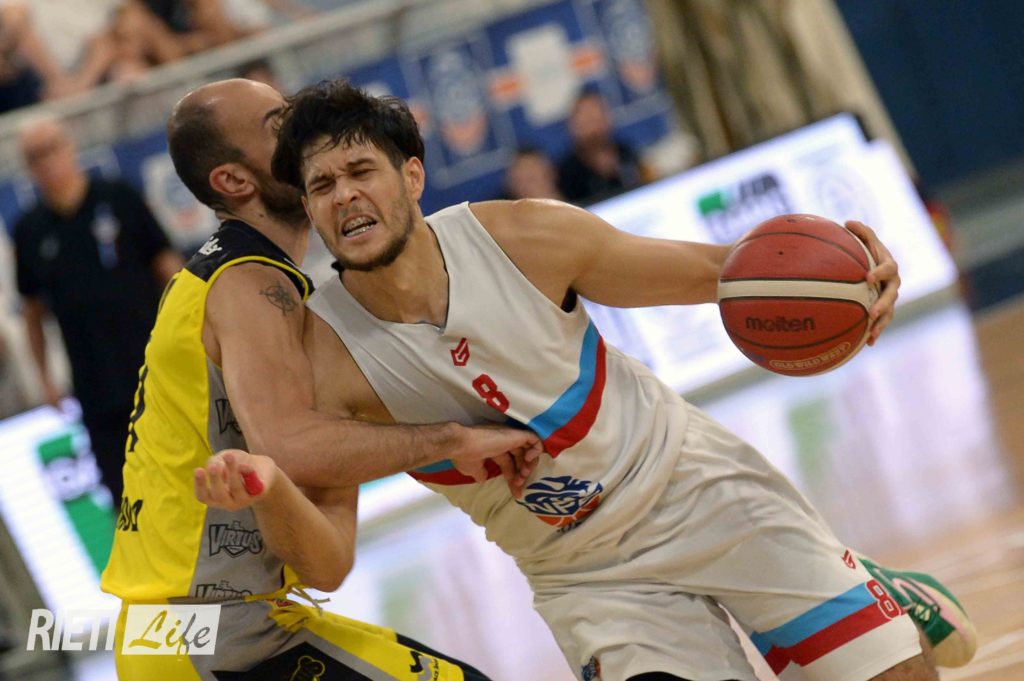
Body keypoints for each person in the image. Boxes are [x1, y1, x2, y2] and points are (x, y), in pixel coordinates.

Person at [270, 79, 978, 681]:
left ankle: (861, 587)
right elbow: (327, 542)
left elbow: (720, 272)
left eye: (360, 171)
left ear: (412, 178)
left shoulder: (525, 239)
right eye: (322, 185)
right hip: (583, 573)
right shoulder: (326, 354)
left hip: (691, 482)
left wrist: (855, 277)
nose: (345, 196)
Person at [100, 78, 539, 680]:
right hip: (207, 636)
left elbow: (327, 565)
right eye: (280, 125)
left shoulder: (266, 293)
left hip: (196, 633)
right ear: (235, 181)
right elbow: (292, 446)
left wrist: (278, 487)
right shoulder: (248, 283)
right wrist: (455, 439)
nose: (306, 132)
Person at [13, 116, 183, 504]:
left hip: (154, 366)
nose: (47, 162)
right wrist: (45, 379)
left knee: (185, 470)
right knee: (127, 496)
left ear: (70, 147)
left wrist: (189, 332)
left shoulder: (118, 196)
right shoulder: (30, 230)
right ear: (28, 168)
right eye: (35, 156)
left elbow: (168, 267)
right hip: (94, 387)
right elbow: (33, 312)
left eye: (52, 149)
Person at [557, 88, 651, 204]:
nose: (594, 129)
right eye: (587, 121)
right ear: (573, 126)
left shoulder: (626, 153)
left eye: (598, 119)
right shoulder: (566, 174)